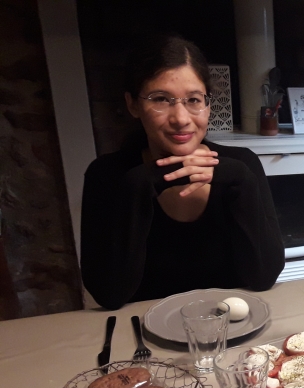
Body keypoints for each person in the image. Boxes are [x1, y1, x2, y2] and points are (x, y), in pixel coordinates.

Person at [81, 34, 285, 310]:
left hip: (231, 328)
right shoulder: (106, 175)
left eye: (193, 100)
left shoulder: (241, 166)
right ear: (133, 105)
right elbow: (108, 295)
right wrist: (140, 184)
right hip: (142, 331)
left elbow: (264, 277)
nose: (180, 118)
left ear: (208, 104)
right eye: (160, 99)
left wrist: (243, 181)